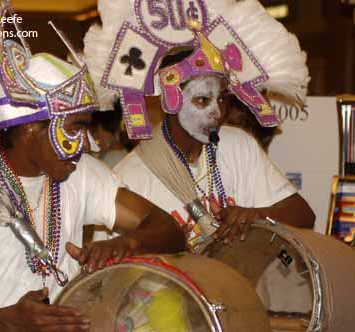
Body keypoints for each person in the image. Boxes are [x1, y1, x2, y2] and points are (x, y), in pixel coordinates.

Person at [0, 3, 185, 330]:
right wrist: (9, 321)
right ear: (30, 128)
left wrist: (125, 244)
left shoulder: (80, 174)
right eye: (76, 127)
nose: (87, 143)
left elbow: (168, 230)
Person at [84, 0, 315, 246]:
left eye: (223, 99)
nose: (218, 111)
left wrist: (257, 216)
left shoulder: (238, 147)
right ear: (172, 100)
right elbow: (116, 273)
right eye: (203, 100)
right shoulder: (128, 179)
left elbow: (304, 214)